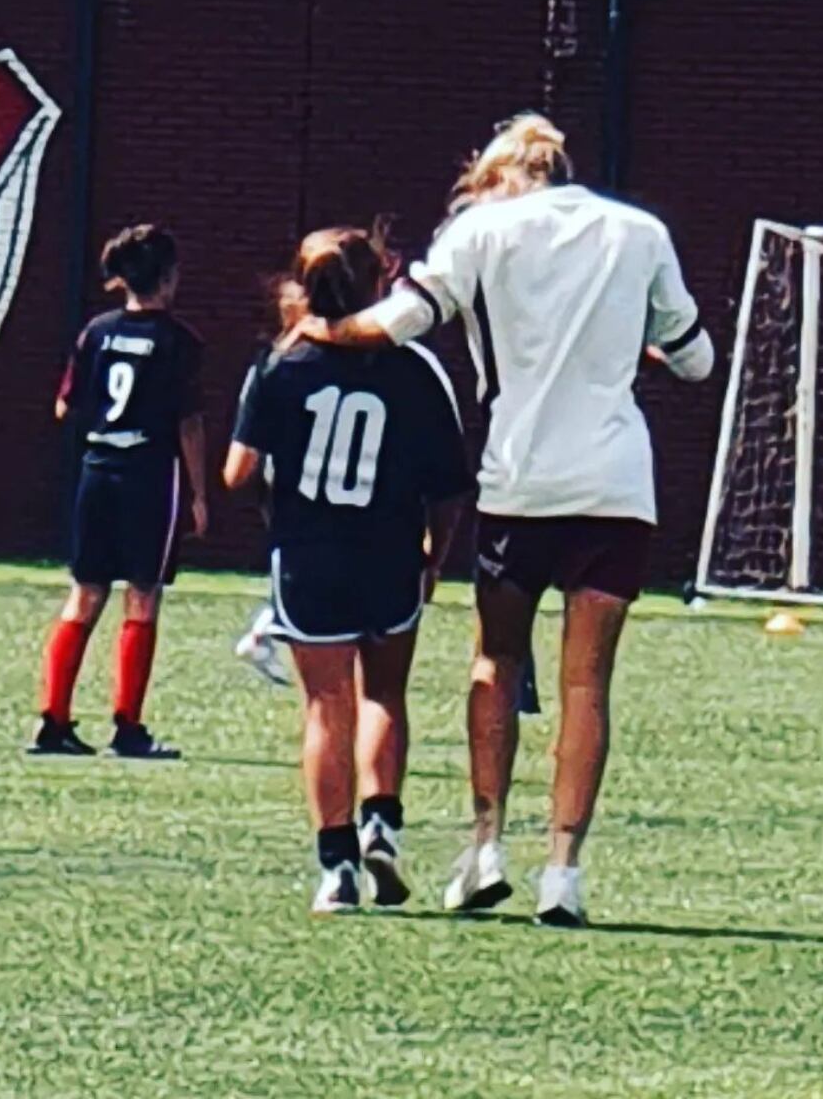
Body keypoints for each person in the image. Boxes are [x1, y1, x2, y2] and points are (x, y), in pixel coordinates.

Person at [284, 115, 713, 925]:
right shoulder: (641, 231)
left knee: (496, 663)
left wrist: (327, 328)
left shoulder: (481, 231)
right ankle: (564, 874)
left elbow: (402, 321)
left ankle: (485, 846)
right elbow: (696, 359)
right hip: (617, 486)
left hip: (520, 482)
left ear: (499, 176)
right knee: (587, 682)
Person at [224, 226, 472, 914]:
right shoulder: (415, 368)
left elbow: (237, 470)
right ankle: (382, 825)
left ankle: (336, 866)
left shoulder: (282, 363)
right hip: (389, 552)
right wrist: (434, 557)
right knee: (384, 695)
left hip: (308, 556)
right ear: (380, 282)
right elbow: (450, 485)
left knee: (323, 705)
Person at [30, 224, 207, 759]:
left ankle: (53, 719)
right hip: (147, 473)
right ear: (169, 278)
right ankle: (128, 725)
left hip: (96, 469)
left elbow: (65, 405)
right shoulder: (179, 343)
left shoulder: (96, 332)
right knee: (143, 594)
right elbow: (189, 423)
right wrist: (199, 494)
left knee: (84, 592)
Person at [233, 276, 309, 687]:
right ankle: (266, 629)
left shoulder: (276, 363)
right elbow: (240, 462)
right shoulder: (279, 365)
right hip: (293, 479)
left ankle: (268, 626)